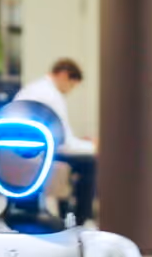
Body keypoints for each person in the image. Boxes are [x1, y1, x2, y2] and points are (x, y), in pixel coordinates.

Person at [15, 58, 97, 224]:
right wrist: (94, 146)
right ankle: (81, 220)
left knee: (76, 159)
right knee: (90, 162)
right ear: (64, 75)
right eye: (72, 85)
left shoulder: (31, 89)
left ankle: (66, 215)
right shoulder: (52, 96)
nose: (70, 91)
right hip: (40, 155)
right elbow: (64, 144)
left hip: (16, 155)